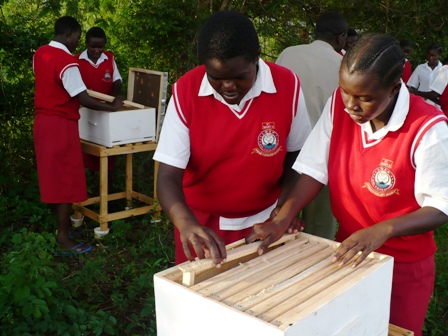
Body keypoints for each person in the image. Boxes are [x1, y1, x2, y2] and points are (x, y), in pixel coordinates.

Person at [247, 33, 448, 336]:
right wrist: (283, 218)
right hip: (348, 251)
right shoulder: (338, 108)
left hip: (404, 266)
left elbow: (441, 205)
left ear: (395, 89)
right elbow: (312, 169)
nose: (351, 106)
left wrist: (383, 229)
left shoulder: (428, 127)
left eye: (365, 98)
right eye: (345, 92)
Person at [153, 10, 312, 266]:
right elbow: (168, 175)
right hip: (203, 228)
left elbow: (297, 156)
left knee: (263, 298)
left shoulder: (287, 85)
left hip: (266, 223)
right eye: (216, 78)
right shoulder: (186, 91)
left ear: (256, 59)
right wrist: (185, 223)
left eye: (240, 77)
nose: (228, 87)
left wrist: (283, 211)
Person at [33, 16, 123, 253]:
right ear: (70, 34)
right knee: (65, 179)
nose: (77, 44)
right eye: (77, 38)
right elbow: (82, 98)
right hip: (61, 123)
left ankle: (62, 228)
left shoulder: (40, 53)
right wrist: (112, 108)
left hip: (42, 122)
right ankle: (64, 238)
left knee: (53, 176)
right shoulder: (67, 62)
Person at [275, 11, 347, 240]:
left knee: (279, 220)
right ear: (341, 38)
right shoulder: (343, 65)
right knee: (320, 230)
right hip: (323, 158)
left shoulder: (288, 55)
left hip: (285, 155)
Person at [76, 27, 123, 193]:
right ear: (86, 44)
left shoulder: (109, 58)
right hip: (85, 112)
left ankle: (107, 195)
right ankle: (86, 194)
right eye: (93, 47)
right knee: (86, 156)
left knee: (108, 157)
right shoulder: (76, 61)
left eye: (100, 47)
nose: (97, 51)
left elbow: (117, 81)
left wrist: (113, 98)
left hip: (106, 110)